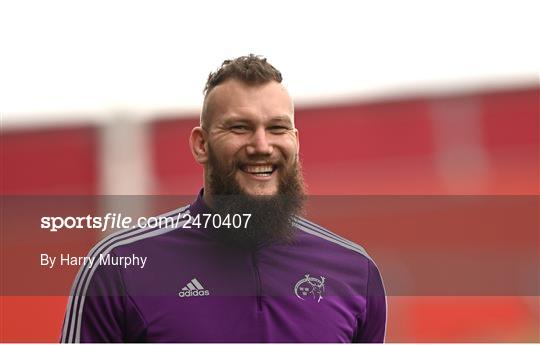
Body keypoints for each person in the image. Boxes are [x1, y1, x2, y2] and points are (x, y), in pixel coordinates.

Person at [60, 55, 387, 343]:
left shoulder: (356, 272)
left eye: (277, 128)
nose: (261, 145)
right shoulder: (118, 268)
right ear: (201, 144)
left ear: (295, 142)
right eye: (240, 127)